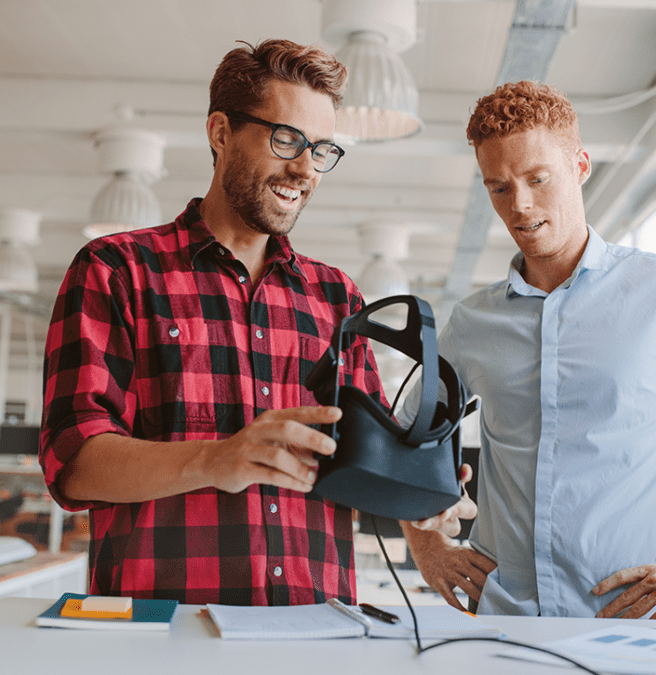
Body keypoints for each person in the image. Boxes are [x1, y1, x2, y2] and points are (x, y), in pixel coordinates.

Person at [400, 80, 656, 619]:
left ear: (581, 166)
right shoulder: (473, 322)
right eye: (498, 187)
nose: (520, 205)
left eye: (538, 178)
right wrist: (428, 549)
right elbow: (406, 439)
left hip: (626, 624)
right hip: (502, 622)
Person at [39, 39, 406, 606]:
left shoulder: (337, 297)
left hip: (314, 628)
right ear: (220, 132)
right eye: (287, 139)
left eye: (323, 150)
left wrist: (422, 491)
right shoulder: (117, 271)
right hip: (162, 631)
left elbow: (359, 459)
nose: (305, 168)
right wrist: (215, 458)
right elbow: (74, 461)